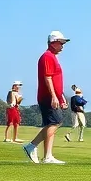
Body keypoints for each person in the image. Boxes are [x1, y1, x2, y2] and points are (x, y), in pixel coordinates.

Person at [25, 31, 70, 165]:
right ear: (53, 42)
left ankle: (46, 155)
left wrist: (61, 97)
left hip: (53, 96)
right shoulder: (47, 56)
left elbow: (56, 80)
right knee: (56, 122)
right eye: (61, 43)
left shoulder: (52, 57)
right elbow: (48, 78)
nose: (62, 46)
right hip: (47, 97)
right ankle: (34, 147)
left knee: (53, 123)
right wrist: (54, 97)